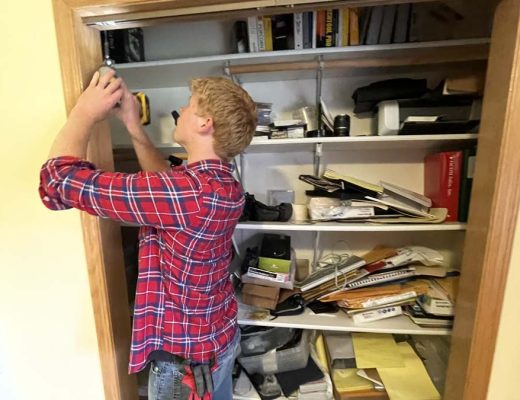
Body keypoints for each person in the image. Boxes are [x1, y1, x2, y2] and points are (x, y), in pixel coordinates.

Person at [39, 68, 257, 399]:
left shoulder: (186, 193)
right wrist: (131, 123)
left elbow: (57, 181)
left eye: (189, 104)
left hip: (186, 366)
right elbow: (165, 182)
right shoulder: (222, 185)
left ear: (204, 123)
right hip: (218, 343)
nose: (181, 110)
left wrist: (84, 111)